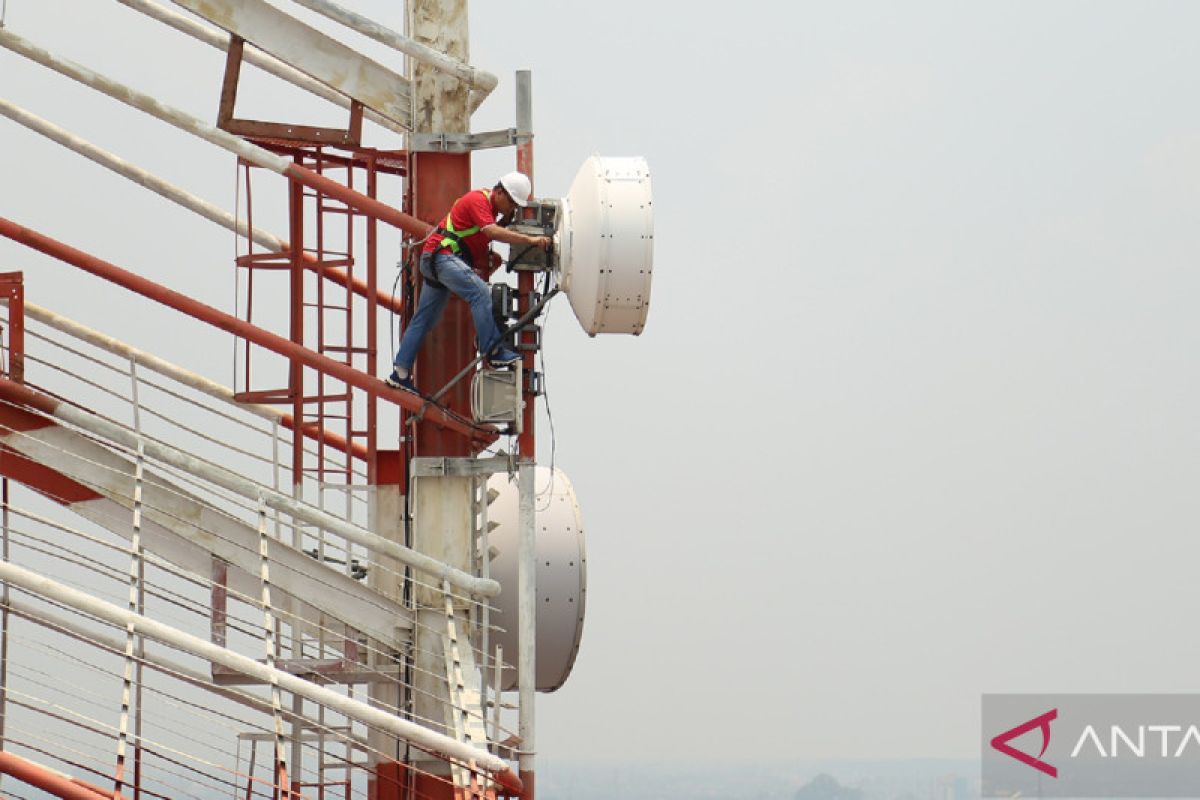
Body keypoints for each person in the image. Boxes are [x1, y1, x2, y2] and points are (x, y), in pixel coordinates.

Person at [385, 172, 551, 393]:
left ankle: (400, 373)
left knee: (424, 320)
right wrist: (530, 240)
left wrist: (505, 221)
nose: (512, 207)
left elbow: (483, 231)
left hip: (438, 259)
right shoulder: (478, 200)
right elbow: (490, 231)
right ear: (499, 191)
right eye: (511, 202)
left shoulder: (489, 209)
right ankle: (492, 350)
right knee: (480, 293)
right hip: (442, 257)